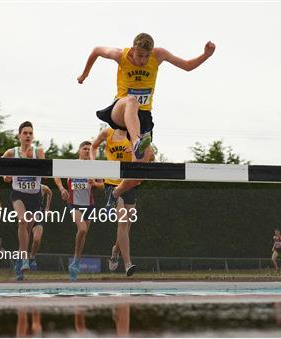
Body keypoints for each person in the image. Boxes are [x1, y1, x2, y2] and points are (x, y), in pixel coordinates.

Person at [78, 33, 216, 209]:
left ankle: (114, 193)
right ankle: (136, 142)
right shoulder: (120, 55)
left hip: (143, 118)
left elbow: (187, 66)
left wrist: (206, 55)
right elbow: (96, 50)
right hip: (120, 109)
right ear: (133, 50)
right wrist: (84, 75)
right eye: (139, 55)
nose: (143, 60)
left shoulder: (158, 55)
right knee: (132, 101)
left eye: (146, 56)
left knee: (138, 173)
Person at [90, 127, 142, 276]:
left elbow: (148, 155)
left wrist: (136, 152)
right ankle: (128, 264)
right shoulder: (108, 132)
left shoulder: (134, 133)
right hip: (111, 184)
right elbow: (93, 146)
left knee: (128, 224)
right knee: (123, 222)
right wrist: (95, 165)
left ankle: (115, 251)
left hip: (129, 183)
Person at [54, 141, 104, 282]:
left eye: (89, 149)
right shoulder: (72, 165)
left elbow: (102, 185)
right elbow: (56, 174)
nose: (87, 151)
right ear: (79, 150)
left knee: (83, 237)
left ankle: (75, 263)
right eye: (85, 149)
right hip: (74, 204)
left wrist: (95, 184)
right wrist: (62, 189)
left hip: (89, 205)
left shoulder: (94, 167)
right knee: (81, 230)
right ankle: (75, 262)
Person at [2, 121, 45, 280]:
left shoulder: (38, 151)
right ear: (19, 135)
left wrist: (31, 161)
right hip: (18, 194)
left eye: (30, 133)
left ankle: (18, 260)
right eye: (25, 133)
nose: (28, 135)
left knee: (27, 230)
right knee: (22, 221)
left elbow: (43, 168)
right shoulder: (11, 152)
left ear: (33, 136)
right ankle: (25, 257)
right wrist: (5, 175)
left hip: (34, 197)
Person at [28, 184, 52, 271]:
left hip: (38, 216)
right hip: (26, 215)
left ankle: (32, 257)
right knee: (25, 240)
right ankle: (21, 260)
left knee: (37, 239)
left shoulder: (43, 187)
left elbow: (50, 192)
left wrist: (47, 208)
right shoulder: (25, 187)